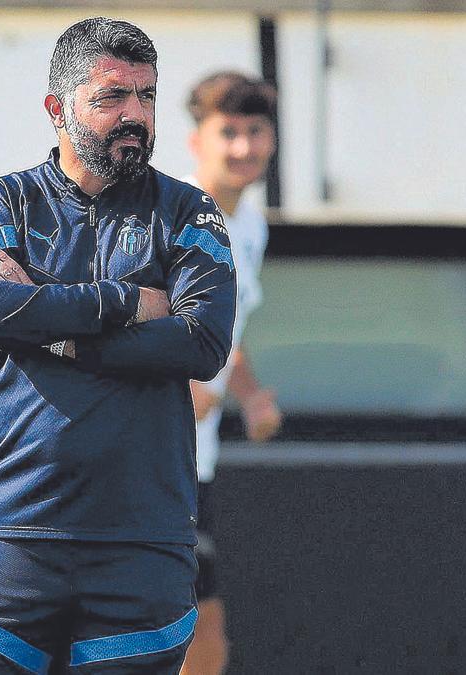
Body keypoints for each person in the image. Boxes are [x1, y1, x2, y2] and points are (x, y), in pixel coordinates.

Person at [0, 17, 237, 674]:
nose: (135, 114)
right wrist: (126, 301)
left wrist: (49, 322)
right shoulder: (2, 202)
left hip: (141, 545)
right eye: (111, 98)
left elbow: (202, 340)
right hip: (10, 536)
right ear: (57, 108)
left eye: (147, 96)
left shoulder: (190, 212)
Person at [180, 71, 283, 675]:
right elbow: (106, 321)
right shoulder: (172, 218)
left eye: (256, 131)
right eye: (228, 132)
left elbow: (227, 339)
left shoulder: (251, 225)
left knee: (201, 640)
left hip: (196, 463)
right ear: (197, 140)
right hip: (144, 462)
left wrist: (247, 394)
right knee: (191, 636)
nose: (243, 147)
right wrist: (172, 383)